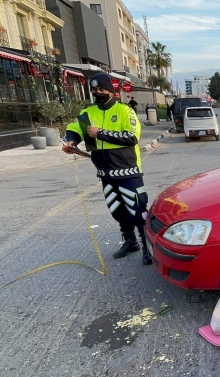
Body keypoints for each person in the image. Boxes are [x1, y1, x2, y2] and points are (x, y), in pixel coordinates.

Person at [61, 73, 152, 265]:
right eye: (94, 90)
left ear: (111, 91)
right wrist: (70, 141)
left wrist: (100, 133)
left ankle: (147, 247)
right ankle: (130, 242)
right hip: (105, 172)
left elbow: (131, 137)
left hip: (128, 171)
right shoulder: (89, 112)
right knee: (117, 210)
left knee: (138, 211)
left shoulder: (124, 111)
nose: (98, 93)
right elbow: (75, 128)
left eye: (101, 89)